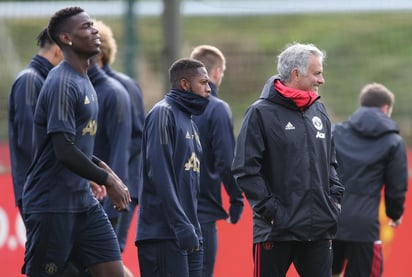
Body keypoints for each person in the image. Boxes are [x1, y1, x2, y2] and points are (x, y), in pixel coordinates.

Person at [21, 6, 131, 277]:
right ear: (66, 39)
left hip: (84, 203)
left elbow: (76, 145)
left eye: (93, 25)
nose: (94, 30)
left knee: (116, 273)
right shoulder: (61, 83)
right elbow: (63, 149)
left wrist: (100, 169)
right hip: (53, 206)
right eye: (85, 27)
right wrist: (108, 180)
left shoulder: (84, 81)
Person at [231, 42, 345, 277]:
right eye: (317, 73)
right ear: (296, 74)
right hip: (277, 230)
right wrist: (273, 212)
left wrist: (333, 200)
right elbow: (245, 169)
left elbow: (330, 162)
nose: (321, 80)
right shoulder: (260, 113)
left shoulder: (319, 110)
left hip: (318, 229)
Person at [136, 58, 210, 277]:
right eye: (203, 82)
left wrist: (191, 228)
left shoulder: (190, 122)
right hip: (164, 234)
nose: (209, 88)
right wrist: (181, 226)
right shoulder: (163, 114)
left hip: (189, 233)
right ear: (185, 84)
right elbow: (160, 175)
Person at [331, 83, 408, 277]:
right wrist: (395, 213)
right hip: (364, 229)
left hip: (330, 222)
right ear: (385, 108)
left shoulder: (336, 133)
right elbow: (396, 186)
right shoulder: (393, 142)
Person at [190, 45, 244, 277]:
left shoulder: (166, 106)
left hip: (168, 213)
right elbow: (225, 161)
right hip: (202, 212)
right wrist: (236, 197)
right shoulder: (217, 109)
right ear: (215, 73)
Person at [93, 20, 145, 257]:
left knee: (108, 254)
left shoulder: (120, 87)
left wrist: (102, 170)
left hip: (121, 185)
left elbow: (136, 139)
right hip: (104, 183)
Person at [8, 27, 63, 216]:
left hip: (46, 191)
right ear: (58, 50)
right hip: (40, 193)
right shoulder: (30, 81)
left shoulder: (44, 80)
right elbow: (31, 142)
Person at [88, 54, 132, 228]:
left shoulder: (114, 92)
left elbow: (122, 149)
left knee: (108, 253)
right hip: (86, 194)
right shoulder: (75, 86)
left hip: (108, 195)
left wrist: (113, 208)